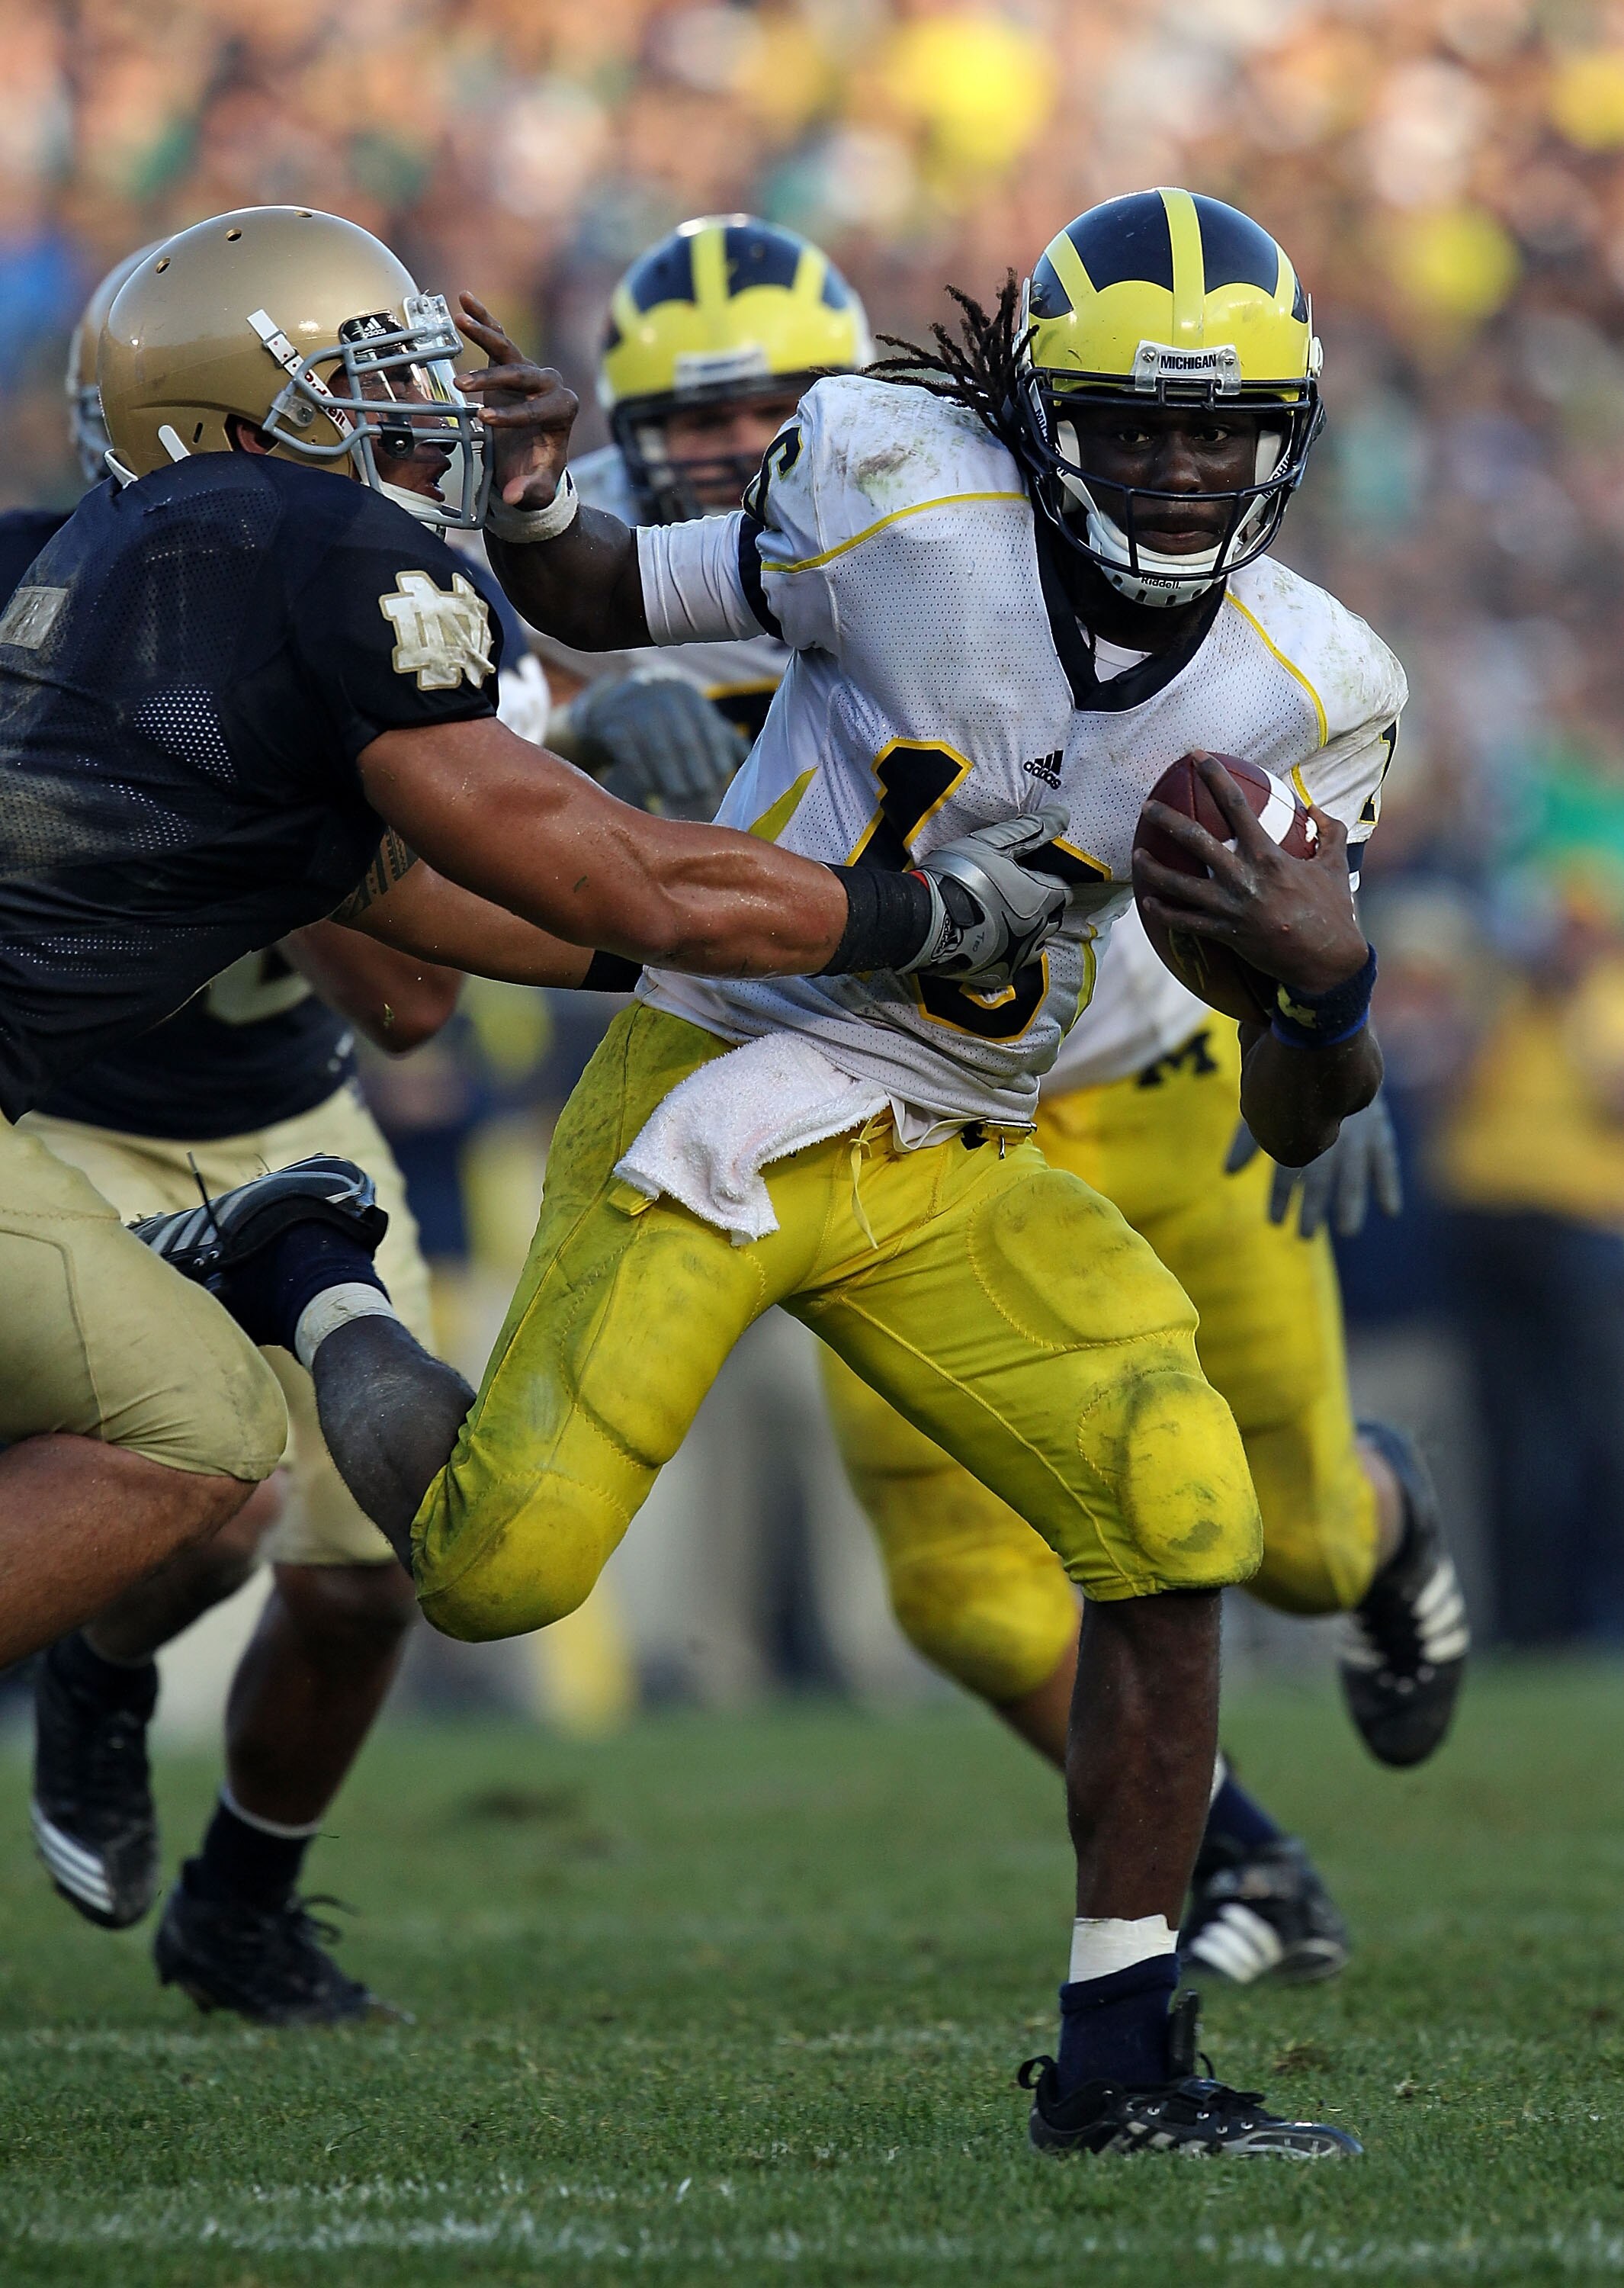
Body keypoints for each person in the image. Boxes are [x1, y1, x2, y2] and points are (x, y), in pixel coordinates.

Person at [310, 186, 1401, 2158]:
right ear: (1038, 417)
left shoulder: (1312, 691)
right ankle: (304, 1274)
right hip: (725, 1086)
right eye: (1135, 425)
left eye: (1218, 430)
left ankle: (1122, 2063)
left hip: (960, 1145)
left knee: (1181, 1514)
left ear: (1285, 439)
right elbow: (612, 597)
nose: (1176, 468)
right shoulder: (898, 488)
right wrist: (541, 513)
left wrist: (1327, 1006)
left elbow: (1304, 1108)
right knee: (499, 1574)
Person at [550, 216, 1469, 1988]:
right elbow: (476, 764)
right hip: (907, 1090)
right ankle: (1235, 1862)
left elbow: (1278, 846)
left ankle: (1391, 1517)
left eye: (777, 413)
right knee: (964, 1593)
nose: (743, 457)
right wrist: (587, 740)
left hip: (1149, 1069)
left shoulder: (961, 516)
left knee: (1294, 1543)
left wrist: (1329, 1022)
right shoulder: (624, 561)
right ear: (623, 431)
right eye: (689, 420)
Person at [0, 201, 1054, 1700]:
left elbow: (415, 899)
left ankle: (226, 1265)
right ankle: (232, 1266)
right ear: (227, 420)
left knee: (197, 1420)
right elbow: (618, 877)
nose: (419, 416)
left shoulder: (115, 561)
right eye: (356, 381)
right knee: (189, 1436)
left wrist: (740, 970)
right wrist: (926, 917)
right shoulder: (307, 543)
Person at [11, 245, 549, 2025]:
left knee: (378, 1568)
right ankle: (102, 1678)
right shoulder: (45, 590)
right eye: (360, 392)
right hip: (64, 1113)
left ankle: (241, 1908)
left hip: (283, 1107)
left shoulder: (408, 604)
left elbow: (413, 1007)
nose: (407, 431)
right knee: (203, 1495)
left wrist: (293, 779)